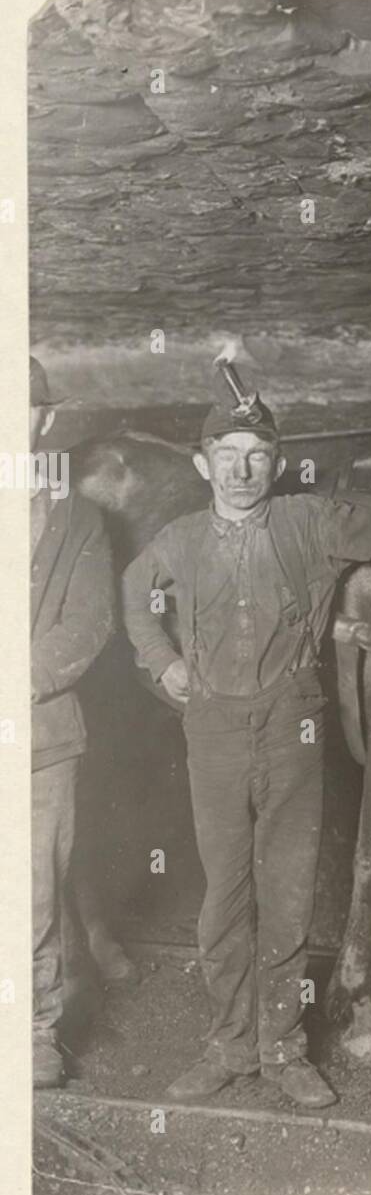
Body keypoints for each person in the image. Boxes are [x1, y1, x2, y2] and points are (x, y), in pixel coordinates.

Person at [122, 372, 371, 1107]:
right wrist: (162, 661)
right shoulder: (176, 539)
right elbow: (134, 596)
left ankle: (283, 1049)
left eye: (256, 454)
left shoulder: (312, 520)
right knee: (225, 896)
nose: (242, 469)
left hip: (292, 724)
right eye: (226, 453)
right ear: (202, 464)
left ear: (276, 462)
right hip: (211, 730)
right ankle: (230, 1045)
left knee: (289, 891)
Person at [31, 355, 116, 1087]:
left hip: (39, 736)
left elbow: (90, 622)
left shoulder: (77, 518)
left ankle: (32, 1031)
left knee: (32, 886)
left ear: (46, 420)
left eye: (21, 407)